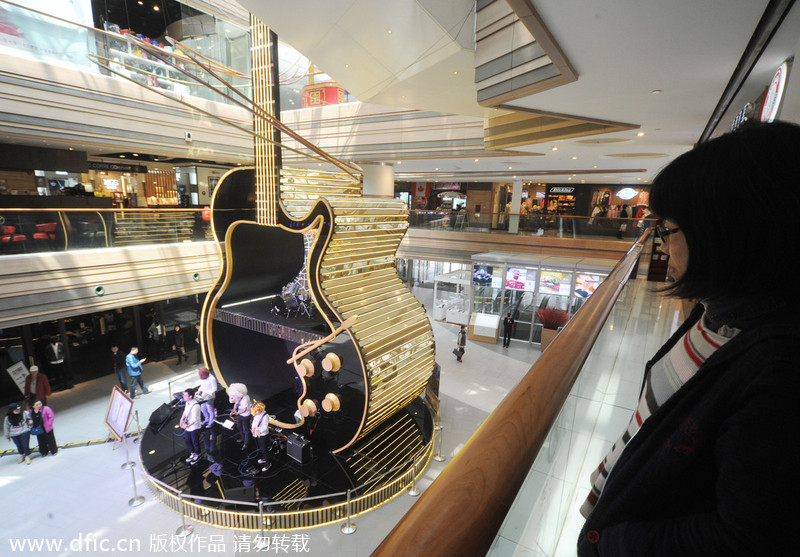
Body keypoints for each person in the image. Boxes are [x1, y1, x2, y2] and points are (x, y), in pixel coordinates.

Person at [577, 121, 800, 556]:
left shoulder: (779, 369)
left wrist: (611, 543)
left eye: (670, 229)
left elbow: (747, 536)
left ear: (729, 233)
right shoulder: (716, 312)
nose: (661, 246)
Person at [179, 388, 201, 465]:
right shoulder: (187, 403)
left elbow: (195, 419)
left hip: (194, 426)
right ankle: (193, 453)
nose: (183, 396)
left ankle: (198, 454)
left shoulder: (195, 406)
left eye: (185, 395)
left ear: (190, 396)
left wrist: (186, 425)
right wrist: (182, 420)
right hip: (188, 425)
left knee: (195, 441)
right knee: (187, 441)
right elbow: (185, 411)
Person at [228, 383, 251, 448]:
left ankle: (246, 443)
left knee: (245, 429)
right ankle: (242, 438)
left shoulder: (245, 399)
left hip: (246, 416)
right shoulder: (238, 398)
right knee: (239, 426)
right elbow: (235, 404)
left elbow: (244, 410)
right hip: (240, 415)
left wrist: (237, 413)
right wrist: (233, 411)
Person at [250, 401, 271, 472]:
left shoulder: (265, 416)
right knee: (261, 448)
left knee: (264, 449)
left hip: (263, 435)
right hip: (257, 433)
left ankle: (267, 464)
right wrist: (253, 428)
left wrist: (259, 431)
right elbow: (255, 420)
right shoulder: (257, 414)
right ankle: (264, 459)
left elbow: (265, 427)